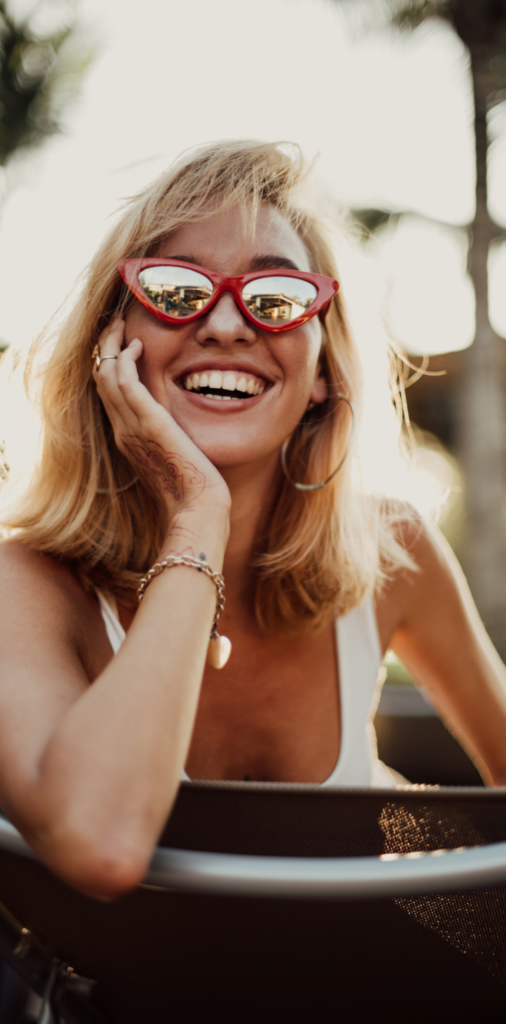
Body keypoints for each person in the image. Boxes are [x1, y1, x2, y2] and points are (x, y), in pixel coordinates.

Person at [0, 140, 506, 901]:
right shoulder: (24, 585)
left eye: (276, 298)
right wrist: (198, 518)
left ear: (322, 372)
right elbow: (97, 841)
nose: (230, 325)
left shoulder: (393, 549)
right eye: (176, 290)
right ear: (112, 350)